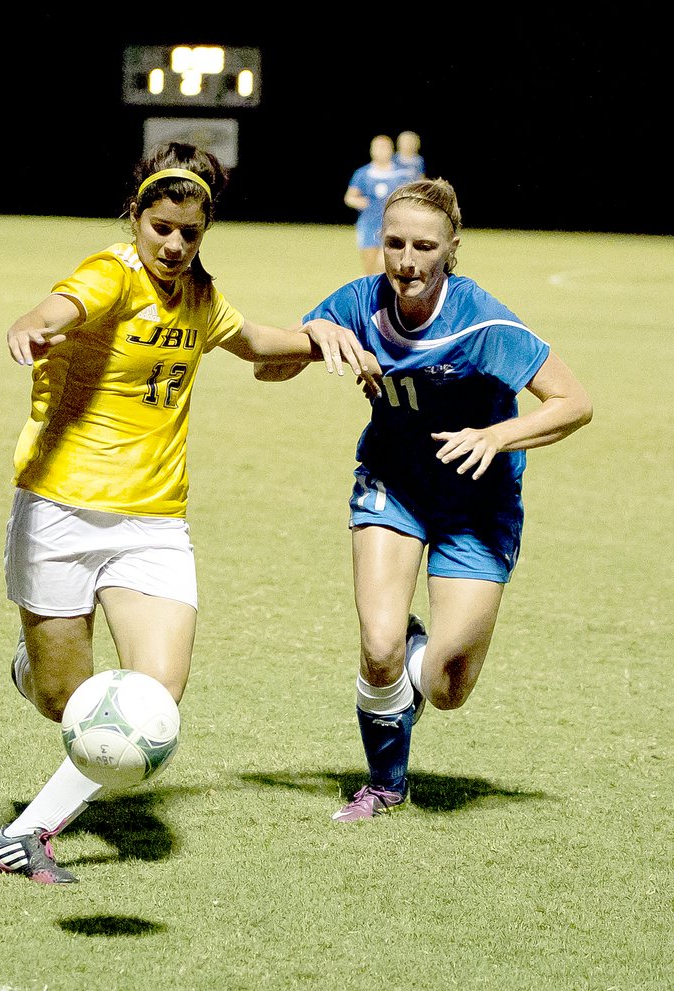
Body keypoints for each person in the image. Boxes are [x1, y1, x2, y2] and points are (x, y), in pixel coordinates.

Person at [0, 141, 377, 883]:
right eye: (160, 226)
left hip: (153, 521)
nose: (172, 244)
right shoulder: (109, 273)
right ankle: (34, 671)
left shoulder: (199, 297)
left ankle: (26, 833)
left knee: (152, 698)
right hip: (61, 511)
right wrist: (34, 321)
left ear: (205, 230)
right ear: (136, 217)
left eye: (188, 232)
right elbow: (65, 303)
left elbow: (257, 342)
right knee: (65, 702)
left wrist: (322, 332)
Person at [254, 178, 592, 822]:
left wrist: (496, 435)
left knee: (445, 687)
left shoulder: (483, 321)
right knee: (375, 645)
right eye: (395, 244)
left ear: (451, 249)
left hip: (478, 505)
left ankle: (418, 657)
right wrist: (316, 337)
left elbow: (575, 403)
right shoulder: (358, 301)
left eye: (424, 247)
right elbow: (266, 368)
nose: (407, 261)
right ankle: (385, 782)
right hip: (393, 482)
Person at [344, 134, 411, 276]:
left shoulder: (401, 174)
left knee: (384, 263)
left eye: (384, 147)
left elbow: (410, 197)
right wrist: (358, 201)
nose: (381, 151)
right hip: (368, 225)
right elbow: (349, 197)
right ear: (371, 150)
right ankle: (371, 295)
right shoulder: (363, 173)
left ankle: (387, 294)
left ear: (391, 150)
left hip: (393, 225)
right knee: (369, 268)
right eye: (377, 148)